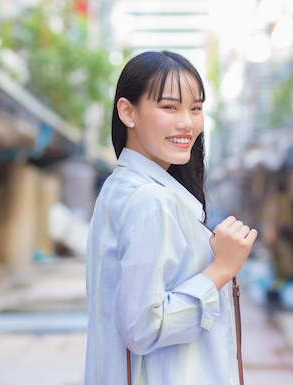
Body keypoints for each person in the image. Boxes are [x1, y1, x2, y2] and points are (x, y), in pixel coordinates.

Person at [84, 50, 258, 385]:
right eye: (169, 107)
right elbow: (142, 327)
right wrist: (222, 268)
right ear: (127, 111)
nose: (187, 123)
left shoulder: (119, 187)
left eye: (195, 108)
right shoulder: (151, 200)